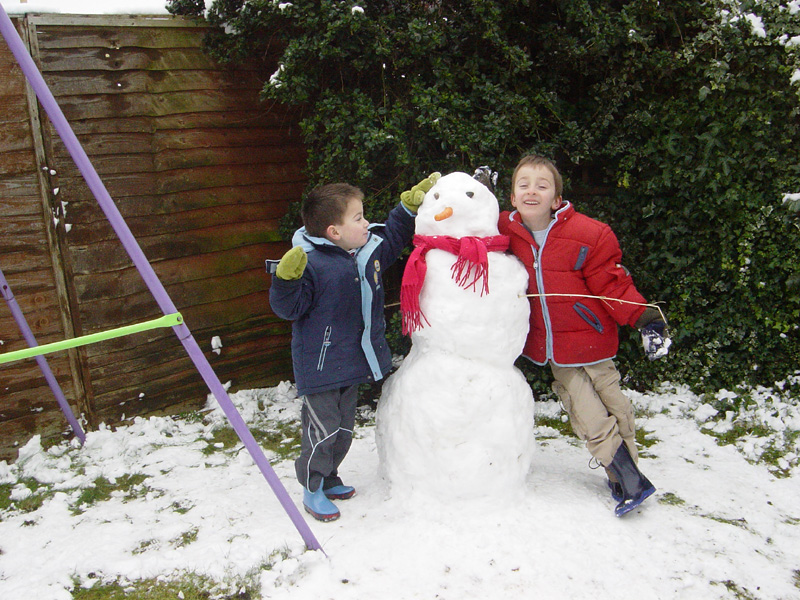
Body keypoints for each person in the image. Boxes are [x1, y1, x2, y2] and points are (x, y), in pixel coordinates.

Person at [498, 155, 670, 517]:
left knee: (615, 406)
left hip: (592, 339)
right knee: (589, 414)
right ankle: (630, 478)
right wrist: (478, 192)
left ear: (556, 199)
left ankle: (625, 476)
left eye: (542, 185)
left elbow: (613, 284)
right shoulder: (504, 231)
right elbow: (470, 227)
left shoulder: (590, 234)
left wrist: (646, 319)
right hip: (555, 349)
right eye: (523, 184)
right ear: (512, 197)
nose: (532, 190)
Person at [268, 175, 439, 521]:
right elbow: (289, 309)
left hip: (352, 359)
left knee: (344, 427)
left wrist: (406, 208)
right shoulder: (309, 262)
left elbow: (390, 238)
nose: (366, 223)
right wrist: (284, 281)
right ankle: (312, 486)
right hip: (321, 364)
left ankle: (330, 477)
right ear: (334, 231)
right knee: (323, 427)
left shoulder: (362, 254)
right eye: (358, 218)